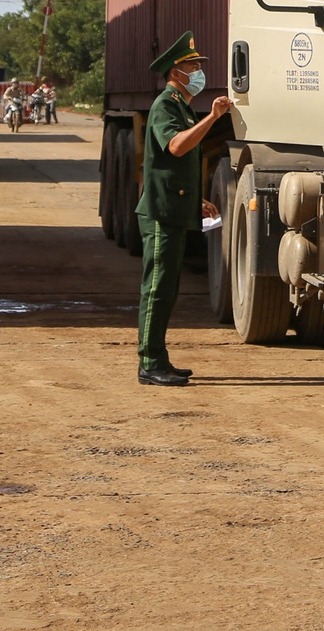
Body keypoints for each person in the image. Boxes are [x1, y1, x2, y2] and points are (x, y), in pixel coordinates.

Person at [136, 31, 227, 387]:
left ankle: (159, 357)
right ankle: (149, 362)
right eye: (192, 66)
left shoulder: (180, 106)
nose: (198, 72)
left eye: (198, 66)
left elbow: (176, 166)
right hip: (160, 213)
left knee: (167, 288)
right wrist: (213, 118)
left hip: (175, 208)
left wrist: (195, 200)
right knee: (156, 288)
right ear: (176, 73)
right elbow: (175, 147)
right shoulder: (165, 105)